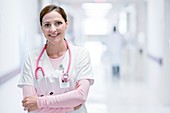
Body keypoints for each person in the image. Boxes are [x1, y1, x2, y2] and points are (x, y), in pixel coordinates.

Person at [17, 4, 94, 113]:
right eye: (47, 25)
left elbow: (80, 96)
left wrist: (39, 102)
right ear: (41, 28)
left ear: (66, 24)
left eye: (58, 23)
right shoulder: (31, 58)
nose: (53, 29)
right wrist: (70, 106)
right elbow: (29, 104)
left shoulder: (81, 55)